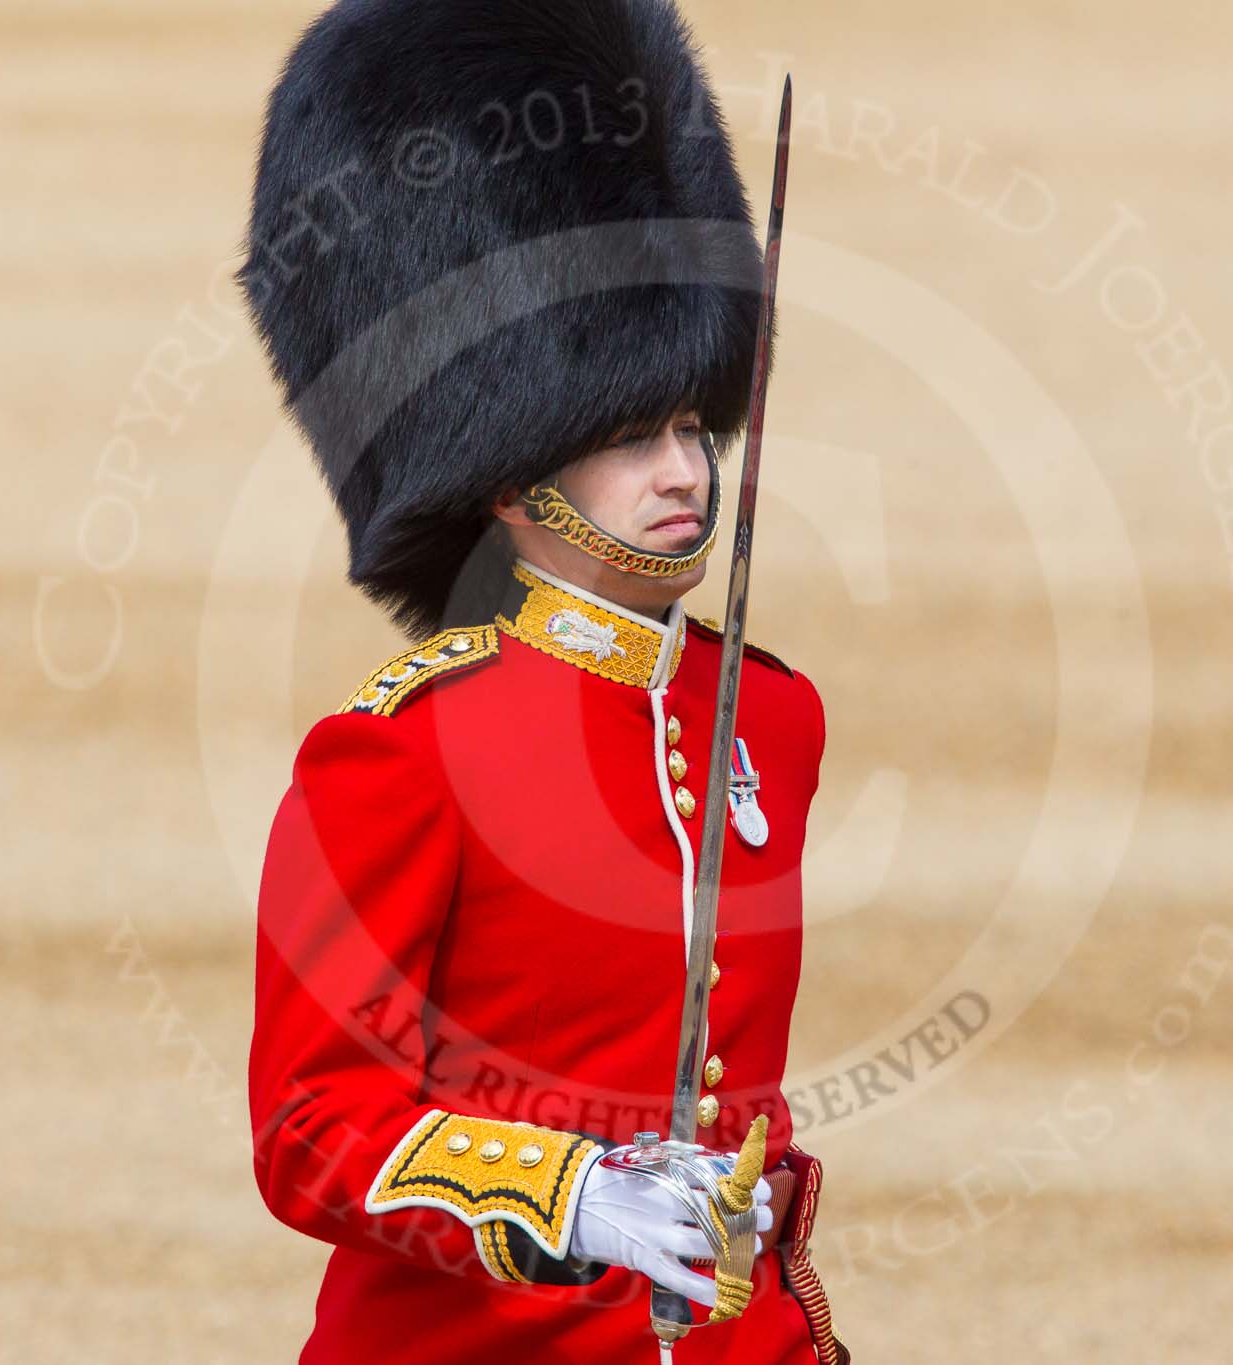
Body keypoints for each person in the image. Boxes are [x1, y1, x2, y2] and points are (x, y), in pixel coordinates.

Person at [236, 1, 846, 1360]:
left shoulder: (773, 718)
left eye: (692, 424)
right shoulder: (401, 751)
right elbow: (312, 1125)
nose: (687, 471)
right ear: (508, 477)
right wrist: (571, 1198)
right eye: (633, 437)